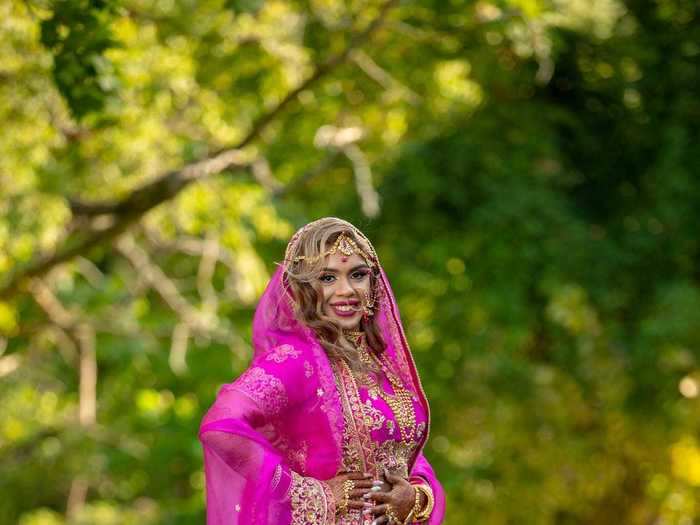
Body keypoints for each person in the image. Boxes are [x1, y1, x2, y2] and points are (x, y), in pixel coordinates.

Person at [199, 217, 445, 525]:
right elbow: (221, 426)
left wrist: (418, 496)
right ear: (305, 289)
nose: (346, 290)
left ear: (373, 283)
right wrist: (306, 493)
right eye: (327, 278)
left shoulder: (382, 368)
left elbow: (406, 453)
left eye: (357, 274)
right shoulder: (295, 361)